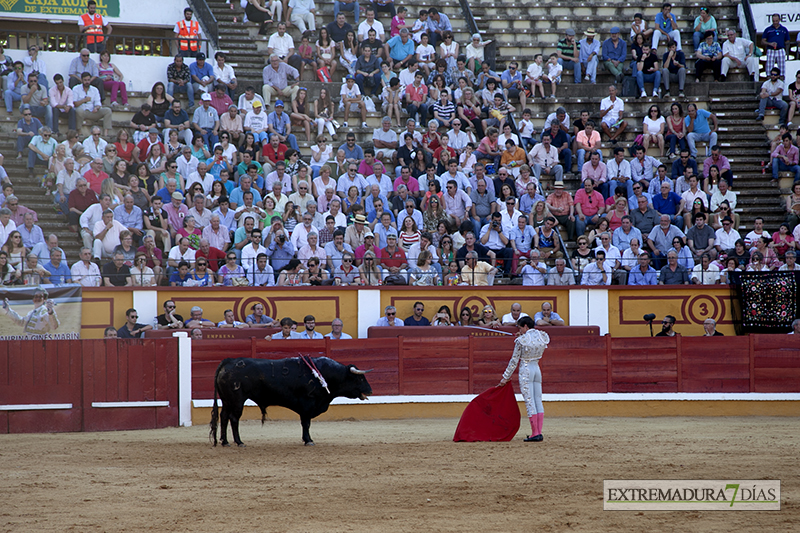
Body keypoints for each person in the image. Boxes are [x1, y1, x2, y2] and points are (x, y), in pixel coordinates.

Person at [498, 316, 548, 442]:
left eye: (520, 327)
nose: (519, 330)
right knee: (538, 400)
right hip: (537, 369)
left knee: (530, 401)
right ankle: (538, 432)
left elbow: (514, 361)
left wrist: (505, 377)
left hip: (526, 370)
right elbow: (532, 339)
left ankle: (535, 433)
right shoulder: (542, 336)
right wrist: (520, 335)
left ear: (525, 326)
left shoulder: (521, 340)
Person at [761, 13, 790, 81]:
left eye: (776, 21)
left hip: (780, 49)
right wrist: (770, 44)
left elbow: (787, 40)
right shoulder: (768, 29)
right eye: (774, 21)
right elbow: (762, 41)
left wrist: (785, 48)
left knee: (782, 68)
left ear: (779, 20)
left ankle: (782, 82)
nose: (775, 22)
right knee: (769, 67)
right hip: (771, 50)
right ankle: (768, 81)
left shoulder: (784, 29)